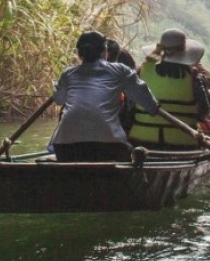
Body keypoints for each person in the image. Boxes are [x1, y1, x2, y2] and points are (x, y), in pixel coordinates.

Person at [48, 30, 161, 162]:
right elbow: (146, 100)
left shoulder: (68, 73)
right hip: (107, 148)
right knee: (130, 151)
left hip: (65, 149)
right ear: (104, 52)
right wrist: (154, 108)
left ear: (79, 54)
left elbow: (59, 99)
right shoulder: (120, 70)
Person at [129, 28, 210, 148]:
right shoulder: (193, 76)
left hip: (141, 140)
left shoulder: (141, 71)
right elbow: (204, 113)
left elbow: (129, 106)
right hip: (183, 142)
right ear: (184, 54)